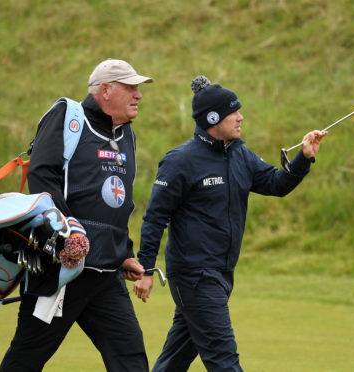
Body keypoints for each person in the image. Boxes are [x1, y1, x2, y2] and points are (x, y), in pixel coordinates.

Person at [133, 75, 327, 371]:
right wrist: (146, 268)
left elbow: (276, 184)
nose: (241, 117)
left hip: (222, 274)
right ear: (213, 118)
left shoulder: (240, 154)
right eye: (233, 112)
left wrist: (303, 158)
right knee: (225, 361)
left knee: (175, 360)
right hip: (195, 276)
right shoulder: (180, 161)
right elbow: (155, 218)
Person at [0, 59, 153, 372]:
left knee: (130, 358)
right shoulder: (68, 117)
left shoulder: (128, 137)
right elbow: (42, 178)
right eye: (131, 87)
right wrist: (69, 231)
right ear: (106, 91)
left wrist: (124, 254)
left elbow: (117, 206)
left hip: (105, 275)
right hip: (61, 271)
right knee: (26, 358)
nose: (139, 95)